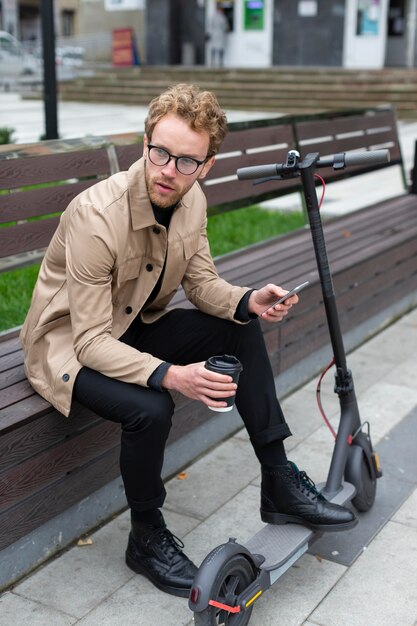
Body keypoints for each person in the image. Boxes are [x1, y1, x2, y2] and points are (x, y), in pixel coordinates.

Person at [20, 83, 357, 599]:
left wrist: (248, 300)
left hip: (130, 326)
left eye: (186, 162)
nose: (168, 171)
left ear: (208, 165)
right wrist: (173, 376)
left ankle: (278, 480)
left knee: (234, 330)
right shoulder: (96, 216)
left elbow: (200, 283)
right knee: (151, 407)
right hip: (67, 346)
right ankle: (146, 536)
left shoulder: (191, 199)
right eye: (161, 153)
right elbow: (88, 340)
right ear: (146, 143)